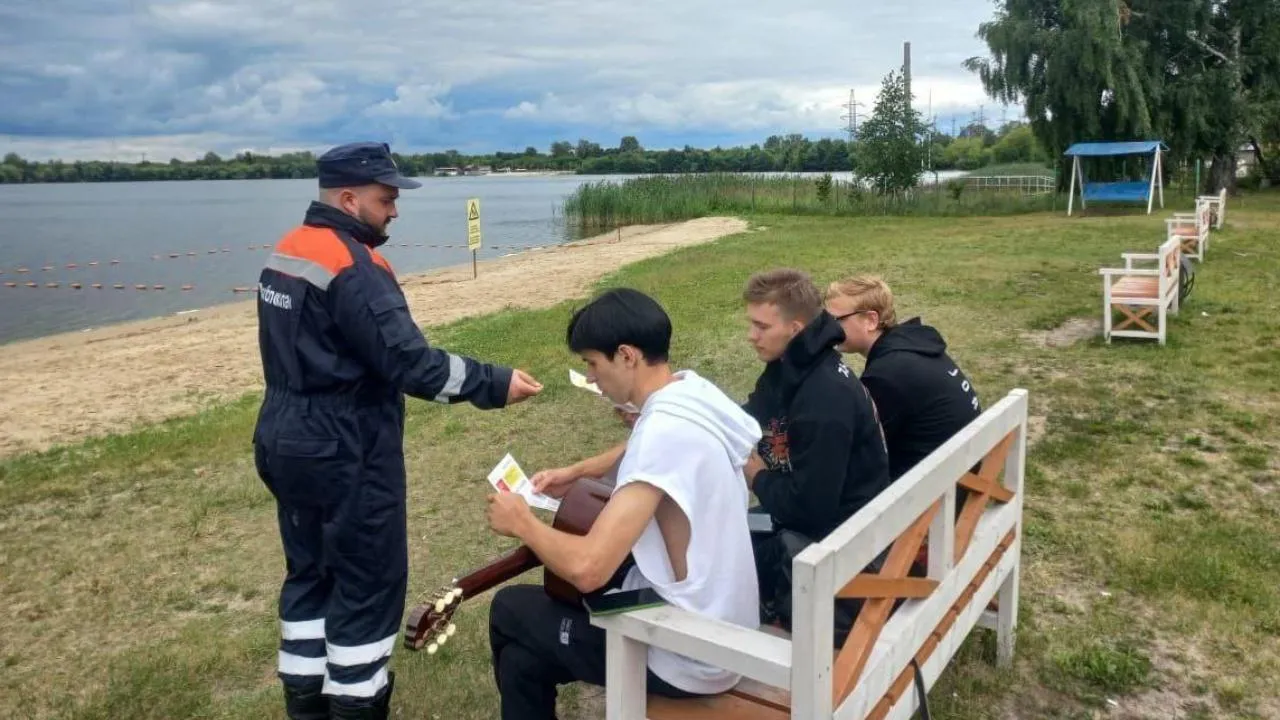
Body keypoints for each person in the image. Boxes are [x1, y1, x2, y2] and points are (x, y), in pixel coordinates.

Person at [252, 141, 543, 720]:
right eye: (386, 199)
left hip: (284, 436)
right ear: (347, 197)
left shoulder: (287, 251)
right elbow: (409, 363)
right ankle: (356, 703)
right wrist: (495, 382)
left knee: (309, 573)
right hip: (346, 445)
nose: (394, 211)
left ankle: (305, 706)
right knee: (366, 585)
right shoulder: (356, 268)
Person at [486, 288, 762, 720]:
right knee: (523, 661)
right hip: (728, 619)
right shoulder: (693, 392)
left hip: (691, 655)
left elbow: (587, 568)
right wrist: (578, 472)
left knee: (510, 609)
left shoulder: (662, 432)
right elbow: (640, 444)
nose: (593, 379)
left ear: (627, 356)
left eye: (593, 364)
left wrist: (522, 522)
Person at [737, 268, 890, 639]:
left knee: (723, 549)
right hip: (826, 524)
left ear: (795, 327)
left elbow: (810, 510)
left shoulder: (825, 397)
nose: (751, 336)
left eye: (761, 327)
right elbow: (752, 415)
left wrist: (757, 476)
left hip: (847, 548)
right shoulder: (790, 366)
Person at [824, 275, 981, 482]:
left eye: (836, 320)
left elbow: (854, 450)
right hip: (964, 474)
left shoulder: (888, 375)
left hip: (933, 496)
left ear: (871, 320)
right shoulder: (912, 345)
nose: (828, 329)